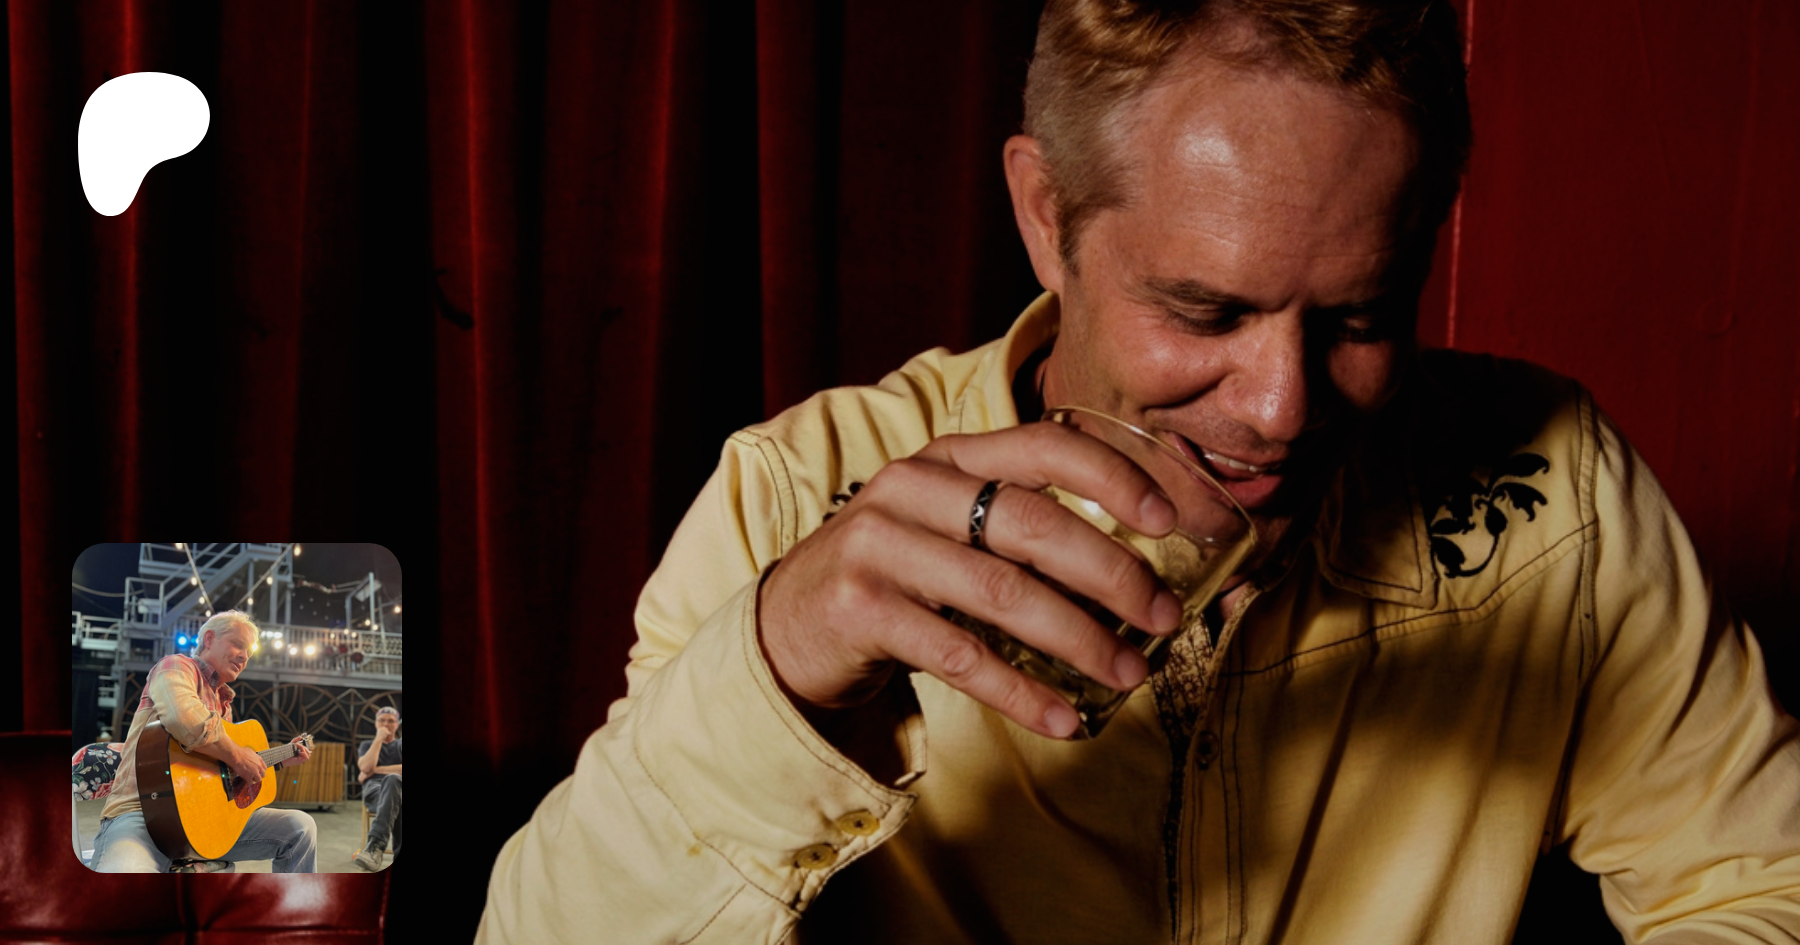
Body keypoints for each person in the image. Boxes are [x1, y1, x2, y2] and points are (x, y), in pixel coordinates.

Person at [477, 1, 1800, 941]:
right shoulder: (794, 491)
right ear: (1045, 215)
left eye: (1361, 317)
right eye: (1205, 312)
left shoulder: (1554, 486)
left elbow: (1760, 885)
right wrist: (780, 665)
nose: (1281, 409)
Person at [91, 610, 319, 873]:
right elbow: (186, 720)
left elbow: (222, 774)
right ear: (209, 639)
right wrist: (239, 756)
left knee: (300, 828)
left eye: (249, 652)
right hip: (143, 815)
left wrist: (277, 760)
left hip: (206, 824)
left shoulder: (224, 703)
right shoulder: (175, 666)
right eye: (238, 645)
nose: (244, 657)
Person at [353, 705, 403, 871]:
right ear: (375, 723)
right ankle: (375, 846)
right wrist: (378, 740)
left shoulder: (400, 744)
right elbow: (365, 767)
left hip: (399, 792)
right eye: (382, 720)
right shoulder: (367, 745)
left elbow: (368, 770)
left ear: (397, 724)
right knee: (394, 784)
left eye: (391, 721)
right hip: (376, 793)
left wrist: (375, 770)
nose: (386, 724)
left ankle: (374, 849)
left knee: (394, 781)